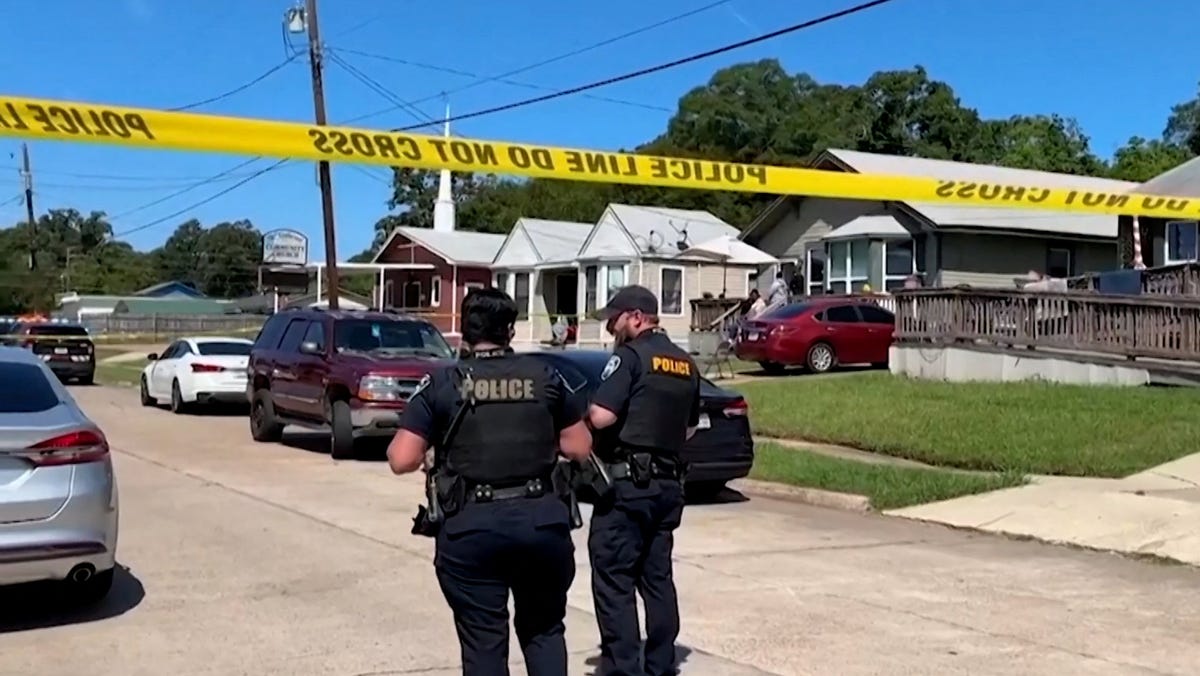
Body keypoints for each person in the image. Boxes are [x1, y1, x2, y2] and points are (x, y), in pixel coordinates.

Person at [386, 287, 594, 676]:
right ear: (510, 331)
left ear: (465, 331)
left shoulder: (443, 382)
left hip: (471, 529)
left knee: (484, 641)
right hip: (541, 524)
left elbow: (401, 458)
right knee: (545, 631)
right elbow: (580, 447)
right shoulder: (546, 375)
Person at [586, 285, 701, 676]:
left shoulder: (630, 357)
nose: (610, 329)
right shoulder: (686, 363)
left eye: (614, 320)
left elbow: (602, 417)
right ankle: (660, 667)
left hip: (628, 489)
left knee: (614, 581)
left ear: (636, 317)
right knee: (657, 581)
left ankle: (622, 669)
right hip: (668, 488)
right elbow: (688, 430)